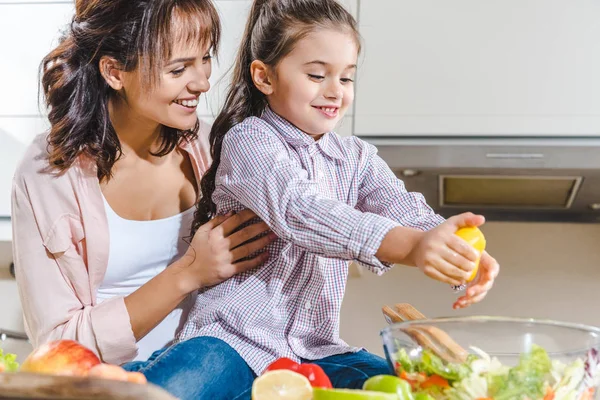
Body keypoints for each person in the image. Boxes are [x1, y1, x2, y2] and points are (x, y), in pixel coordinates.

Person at [180, 0, 501, 395]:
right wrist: (416, 246)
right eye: (317, 75)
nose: (335, 91)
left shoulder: (357, 158)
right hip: (231, 341)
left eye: (347, 79)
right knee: (169, 389)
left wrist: (455, 249)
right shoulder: (250, 141)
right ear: (264, 77)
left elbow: (402, 207)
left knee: (410, 388)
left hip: (318, 352)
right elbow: (301, 212)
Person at [11, 0, 273, 388]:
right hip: (112, 387)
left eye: (205, 58)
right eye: (178, 69)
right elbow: (58, 347)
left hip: (220, 374)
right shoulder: (48, 173)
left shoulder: (209, 147)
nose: (201, 81)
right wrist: (189, 273)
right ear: (115, 71)